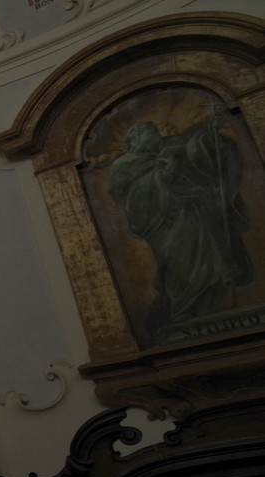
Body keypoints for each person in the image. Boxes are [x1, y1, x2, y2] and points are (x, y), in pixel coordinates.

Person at [106, 117, 250, 340]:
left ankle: (211, 311)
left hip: (198, 213)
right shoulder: (124, 165)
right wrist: (163, 174)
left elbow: (198, 153)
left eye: (156, 134)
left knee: (215, 264)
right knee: (180, 267)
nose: (156, 139)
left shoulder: (169, 148)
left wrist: (208, 137)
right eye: (150, 135)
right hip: (166, 225)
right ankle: (182, 312)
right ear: (135, 141)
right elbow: (129, 198)